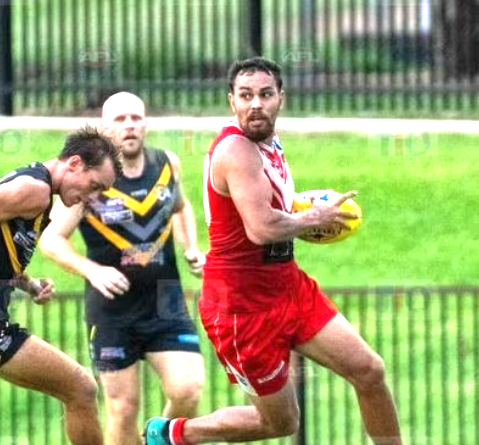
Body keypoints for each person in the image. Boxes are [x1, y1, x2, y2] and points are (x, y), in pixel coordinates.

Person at [144, 57, 403, 444]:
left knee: (369, 370)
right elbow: (262, 228)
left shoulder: (270, 143)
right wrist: (315, 217)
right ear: (231, 101)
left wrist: (302, 205)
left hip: (288, 287)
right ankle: (173, 434)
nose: (256, 104)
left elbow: (269, 206)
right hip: (242, 308)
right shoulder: (237, 150)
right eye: (245, 95)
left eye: (265, 95)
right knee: (280, 423)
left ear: (281, 98)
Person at [40, 92, 206, 445]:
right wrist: (91, 270)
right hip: (112, 311)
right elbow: (51, 239)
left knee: (188, 390)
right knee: (124, 407)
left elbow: (180, 207)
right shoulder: (89, 180)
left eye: (135, 117)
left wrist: (191, 247)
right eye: (119, 119)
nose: (129, 125)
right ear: (104, 128)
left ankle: (155, 440)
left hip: (166, 301)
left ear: (146, 123)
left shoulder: (167, 163)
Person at [0, 125, 121, 445]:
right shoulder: (35, 190)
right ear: (74, 163)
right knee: (81, 389)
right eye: (94, 186)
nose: (92, 199)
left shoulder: (38, 193)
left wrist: (30, 284)